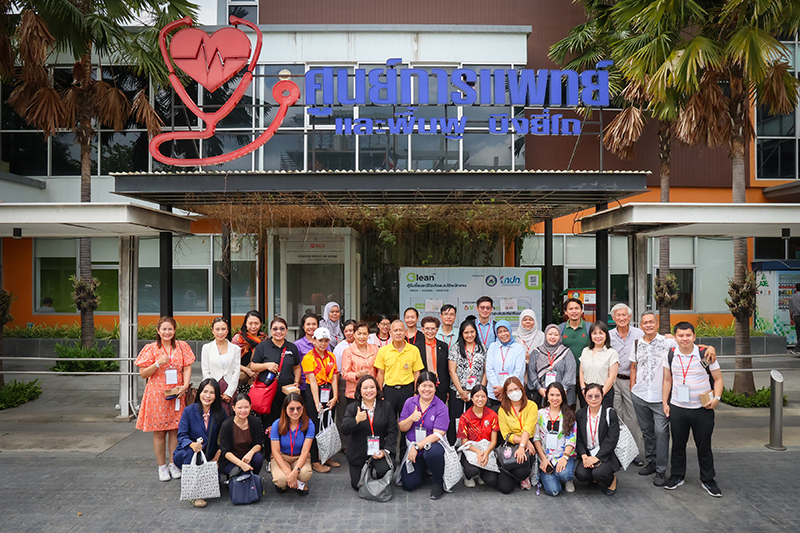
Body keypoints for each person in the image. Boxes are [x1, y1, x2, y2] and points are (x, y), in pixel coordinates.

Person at [662, 321, 724, 497]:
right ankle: (677, 476)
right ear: (675, 338)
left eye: (688, 335)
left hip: (702, 408)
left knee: (704, 445)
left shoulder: (705, 354)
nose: (684, 339)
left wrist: (717, 398)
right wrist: (664, 402)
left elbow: (718, 379)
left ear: (694, 337)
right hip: (678, 407)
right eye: (680, 335)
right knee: (678, 445)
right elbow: (667, 380)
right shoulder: (670, 354)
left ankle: (708, 480)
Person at [135, 316, 195, 482]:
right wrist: (157, 363)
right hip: (157, 395)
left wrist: (185, 385)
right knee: (160, 431)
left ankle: (173, 464)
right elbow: (142, 374)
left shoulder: (182, 346)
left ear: (174, 330)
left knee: (175, 429)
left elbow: (187, 367)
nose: (167, 332)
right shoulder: (151, 348)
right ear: (158, 331)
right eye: (164, 329)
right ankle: (162, 467)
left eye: (170, 329)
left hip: (177, 393)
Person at [173, 377, 227, 508]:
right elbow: (181, 435)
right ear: (199, 393)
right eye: (205, 391)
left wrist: (217, 457)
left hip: (210, 455)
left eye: (212, 392)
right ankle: (195, 494)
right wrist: (191, 444)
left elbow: (225, 437)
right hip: (188, 452)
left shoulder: (220, 413)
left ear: (216, 395)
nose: (207, 396)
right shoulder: (189, 411)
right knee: (190, 454)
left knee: (216, 482)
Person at [398, 371, 450, 500]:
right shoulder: (410, 402)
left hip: (430, 445)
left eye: (430, 386)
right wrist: (411, 418)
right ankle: (423, 469)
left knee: (432, 452)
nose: (427, 389)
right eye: (423, 385)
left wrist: (416, 447)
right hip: (413, 447)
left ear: (435, 388)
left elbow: (438, 434)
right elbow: (402, 427)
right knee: (409, 484)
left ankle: (437, 482)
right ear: (418, 387)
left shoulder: (441, 406)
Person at [340, 375, 398, 490]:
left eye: (372, 387)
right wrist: (356, 420)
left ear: (377, 389)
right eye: (365, 388)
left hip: (378, 450)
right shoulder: (353, 407)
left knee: (385, 470)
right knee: (357, 485)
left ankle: (375, 469)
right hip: (358, 452)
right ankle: (366, 469)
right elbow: (344, 429)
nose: (369, 391)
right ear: (359, 390)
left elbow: (393, 431)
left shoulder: (386, 406)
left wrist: (385, 451)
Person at [250, 317, 302, 433]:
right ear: (270, 331)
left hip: (287, 391)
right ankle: (270, 450)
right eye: (275, 329)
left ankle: (287, 448)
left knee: (288, 420)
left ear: (287, 331)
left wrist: (297, 381)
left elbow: (297, 366)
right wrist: (266, 365)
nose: (278, 332)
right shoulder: (262, 347)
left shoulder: (292, 347)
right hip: (268, 392)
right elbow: (252, 366)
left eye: (282, 329)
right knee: (270, 423)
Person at [609, 303, 645, 467]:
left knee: (632, 417)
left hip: (632, 380)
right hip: (613, 380)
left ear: (630, 317)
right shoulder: (608, 336)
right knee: (615, 416)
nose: (622, 318)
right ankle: (617, 450)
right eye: (618, 315)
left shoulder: (639, 333)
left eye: (625, 315)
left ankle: (634, 453)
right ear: (613, 318)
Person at [301, 327, 340, 473]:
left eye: (326, 341)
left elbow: (335, 377)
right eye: (320, 340)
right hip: (314, 394)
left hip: (328, 392)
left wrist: (335, 397)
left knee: (328, 424)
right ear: (314, 341)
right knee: (316, 426)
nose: (323, 343)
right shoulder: (308, 358)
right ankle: (315, 460)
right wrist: (317, 402)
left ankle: (326, 456)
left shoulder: (331, 356)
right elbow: (312, 381)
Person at [574, 383, 621, 495]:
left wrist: (597, 457)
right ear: (584, 397)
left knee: (599, 473)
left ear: (602, 396)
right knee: (581, 474)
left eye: (597, 396)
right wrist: (584, 456)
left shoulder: (610, 413)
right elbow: (579, 438)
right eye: (590, 396)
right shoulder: (580, 414)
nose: (593, 399)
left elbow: (612, 440)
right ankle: (593, 479)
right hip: (588, 453)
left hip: (605, 454)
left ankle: (611, 481)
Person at [448, 318, 487, 444]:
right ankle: (455, 446)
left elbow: (486, 371)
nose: (469, 335)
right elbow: (452, 371)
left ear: (476, 332)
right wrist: (461, 391)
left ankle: (473, 445)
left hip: (476, 392)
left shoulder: (482, 349)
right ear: (462, 334)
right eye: (466, 332)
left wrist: (481, 390)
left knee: (475, 420)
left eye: (472, 332)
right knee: (456, 419)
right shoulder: (456, 348)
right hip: (458, 391)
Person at [533, 382, 577, 496]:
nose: (555, 398)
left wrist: (565, 457)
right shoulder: (540, 414)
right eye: (551, 395)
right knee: (554, 491)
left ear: (563, 396)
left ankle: (567, 479)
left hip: (563, 455)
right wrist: (543, 458)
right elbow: (536, 438)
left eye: (558, 395)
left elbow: (571, 439)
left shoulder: (569, 415)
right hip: (546, 457)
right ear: (547, 396)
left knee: (565, 474)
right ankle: (550, 476)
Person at [496, 376, 537, 493]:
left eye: (516, 389)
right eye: (510, 390)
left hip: (527, 446)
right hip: (511, 445)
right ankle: (512, 474)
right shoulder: (502, 409)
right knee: (505, 488)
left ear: (522, 389)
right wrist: (524, 442)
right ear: (506, 393)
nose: (514, 392)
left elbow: (528, 428)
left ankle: (522, 477)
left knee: (522, 470)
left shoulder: (531, 405)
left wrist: (523, 446)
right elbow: (506, 434)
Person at [270, 393, 314, 495]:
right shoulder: (277, 424)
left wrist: (295, 471)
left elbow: (305, 451)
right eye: (291, 409)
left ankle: (301, 481)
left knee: (305, 474)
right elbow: (275, 452)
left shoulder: (308, 423)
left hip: (299, 457)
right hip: (282, 456)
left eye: (299, 408)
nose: (295, 412)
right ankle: (289, 483)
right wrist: (289, 473)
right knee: (281, 480)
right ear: (285, 409)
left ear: (303, 408)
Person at [457, 384, 499, 489]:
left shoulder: (492, 415)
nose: (480, 399)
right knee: (471, 470)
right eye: (477, 396)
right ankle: (468, 476)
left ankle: (482, 474)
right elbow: (464, 442)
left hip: (487, 449)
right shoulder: (465, 417)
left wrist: (487, 452)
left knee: (491, 479)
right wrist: (478, 452)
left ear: (487, 398)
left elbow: (494, 440)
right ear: (472, 398)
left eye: (483, 396)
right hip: (471, 449)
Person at [218, 393, 264, 480]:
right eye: (239, 408)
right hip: (230, 459)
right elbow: (225, 451)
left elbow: (258, 443)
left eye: (246, 407)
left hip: (247, 456)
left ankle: (253, 479)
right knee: (243, 473)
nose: (243, 411)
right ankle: (233, 479)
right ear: (233, 408)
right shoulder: (226, 425)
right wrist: (241, 464)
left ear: (250, 407)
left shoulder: (255, 421)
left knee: (258, 458)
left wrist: (250, 453)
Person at [200, 317, 241, 415]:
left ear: (227, 330)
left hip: (230, 386)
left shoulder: (235, 349)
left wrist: (229, 392)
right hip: (212, 387)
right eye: (217, 329)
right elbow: (205, 371)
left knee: (229, 416)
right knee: (212, 416)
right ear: (212, 331)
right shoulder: (207, 348)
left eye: (223, 329)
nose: (220, 332)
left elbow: (236, 371)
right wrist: (210, 390)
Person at [529, 324, 577, 407]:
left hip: (562, 394)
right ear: (545, 335)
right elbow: (531, 372)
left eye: (556, 334)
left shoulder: (566, 352)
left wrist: (562, 390)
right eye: (550, 334)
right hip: (541, 393)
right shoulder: (537, 352)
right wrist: (539, 388)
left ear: (560, 337)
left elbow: (570, 371)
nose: (553, 337)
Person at [485, 320, 526, 409]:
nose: (503, 334)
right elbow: (489, 369)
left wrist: (504, 388)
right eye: (500, 332)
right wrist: (498, 388)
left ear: (510, 331)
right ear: (496, 333)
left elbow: (519, 371)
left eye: (505, 330)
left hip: (513, 392)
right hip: (495, 393)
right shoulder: (493, 347)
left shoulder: (518, 348)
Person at [579, 321, 619, 409]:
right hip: (587, 392)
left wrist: (600, 394)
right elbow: (581, 372)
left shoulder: (611, 353)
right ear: (590, 335)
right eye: (594, 333)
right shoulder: (585, 351)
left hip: (604, 392)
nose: (598, 336)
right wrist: (583, 389)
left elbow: (612, 377)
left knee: (603, 420)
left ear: (606, 335)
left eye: (601, 333)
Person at [559, 297, 590, 404]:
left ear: (582, 310)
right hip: (566, 377)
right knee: (568, 408)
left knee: (587, 408)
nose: (574, 311)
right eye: (570, 309)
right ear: (565, 312)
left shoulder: (589, 328)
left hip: (587, 377)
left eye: (577, 308)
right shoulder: (560, 329)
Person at [341, 321, 379, 403]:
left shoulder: (375, 349)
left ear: (368, 335)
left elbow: (379, 371)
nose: (362, 337)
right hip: (354, 393)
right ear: (354, 334)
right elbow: (345, 373)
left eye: (364, 334)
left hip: (371, 392)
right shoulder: (348, 352)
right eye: (359, 334)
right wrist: (357, 375)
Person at [231, 310, 265, 394]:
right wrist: (247, 370)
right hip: (240, 380)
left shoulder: (264, 339)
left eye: (256, 323)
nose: (253, 326)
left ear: (261, 323)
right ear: (245, 324)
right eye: (250, 323)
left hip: (258, 380)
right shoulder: (238, 339)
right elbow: (230, 360)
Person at [420, 316, 450, 402]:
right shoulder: (417, 347)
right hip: (424, 387)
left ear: (437, 330)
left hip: (441, 387)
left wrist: (447, 390)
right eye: (427, 329)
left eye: (433, 329)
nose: (430, 331)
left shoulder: (443, 346)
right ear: (422, 329)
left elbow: (446, 369)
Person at [791, 283, 800, 354]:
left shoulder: (792, 297)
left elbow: (790, 309)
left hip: (795, 317)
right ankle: (796, 349)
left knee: (798, 333)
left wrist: (791, 318)